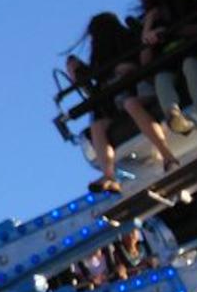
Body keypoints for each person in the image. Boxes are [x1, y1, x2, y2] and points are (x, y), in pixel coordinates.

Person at [66, 12, 178, 192]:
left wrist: (125, 71)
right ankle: (110, 176)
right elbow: (96, 85)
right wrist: (77, 71)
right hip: (117, 101)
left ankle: (167, 155)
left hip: (140, 91)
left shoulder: (128, 40)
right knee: (97, 126)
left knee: (131, 104)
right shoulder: (99, 60)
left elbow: (140, 62)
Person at [134, 0, 197, 143]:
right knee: (161, 78)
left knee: (190, 66)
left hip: (191, 51)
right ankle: (175, 118)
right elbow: (145, 61)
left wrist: (172, 32)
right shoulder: (147, 19)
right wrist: (149, 26)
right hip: (168, 62)